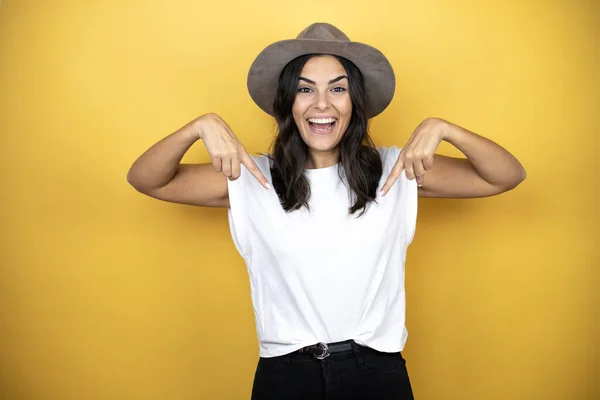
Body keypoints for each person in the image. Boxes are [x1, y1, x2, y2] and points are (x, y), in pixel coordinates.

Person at [127, 22, 525, 400]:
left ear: (356, 102)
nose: (322, 104)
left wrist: (444, 129)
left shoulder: (396, 169)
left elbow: (504, 176)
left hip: (377, 374)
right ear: (288, 102)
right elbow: (148, 179)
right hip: (285, 376)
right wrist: (199, 126)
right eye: (305, 89)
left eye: (338, 89)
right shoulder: (251, 176)